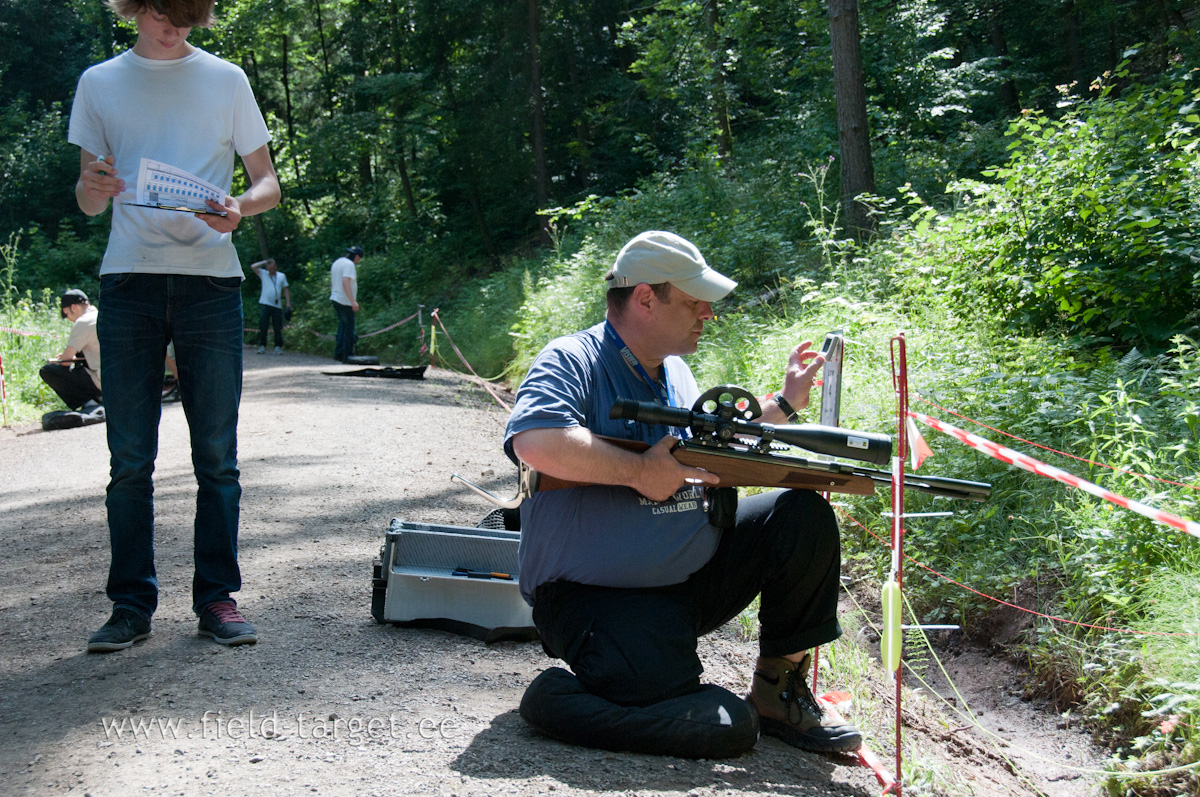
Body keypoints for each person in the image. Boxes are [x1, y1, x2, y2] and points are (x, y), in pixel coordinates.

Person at [504, 230, 862, 758]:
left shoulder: (675, 372)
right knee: (722, 726)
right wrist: (637, 471)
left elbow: (711, 446)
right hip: (592, 598)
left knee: (799, 512)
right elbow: (535, 440)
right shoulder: (571, 359)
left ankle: (777, 690)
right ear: (647, 297)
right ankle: (552, 699)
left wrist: (784, 404)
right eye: (695, 303)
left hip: (685, 584)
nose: (707, 315)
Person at [69, 0, 281, 653]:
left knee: (217, 455)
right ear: (134, 7)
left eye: (188, 18)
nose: (174, 29)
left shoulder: (227, 80)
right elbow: (84, 192)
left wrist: (240, 208)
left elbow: (267, 182)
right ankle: (130, 605)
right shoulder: (99, 83)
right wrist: (96, 187)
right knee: (130, 457)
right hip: (128, 281)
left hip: (211, 284)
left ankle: (216, 597)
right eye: (163, 13)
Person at [40, 289, 103, 414]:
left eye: (66, 314)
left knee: (48, 370)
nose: (69, 319)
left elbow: (65, 362)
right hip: (117, 378)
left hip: (100, 380)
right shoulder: (101, 315)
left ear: (73, 308)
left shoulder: (82, 322)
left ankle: (90, 403)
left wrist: (62, 358)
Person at [250, 257, 291, 354]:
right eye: (270, 268)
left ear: (276, 267)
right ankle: (262, 345)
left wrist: (288, 302)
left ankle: (278, 346)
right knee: (263, 325)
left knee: (277, 327)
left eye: (273, 268)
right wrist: (265, 262)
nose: (272, 270)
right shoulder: (263, 274)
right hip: (265, 303)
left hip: (277, 305)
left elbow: (286, 289)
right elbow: (253, 266)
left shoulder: (281, 276)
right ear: (267, 268)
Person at [329, 245, 363, 362]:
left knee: (342, 326)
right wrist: (352, 301)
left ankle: (339, 353)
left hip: (335, 297)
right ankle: (347, 355)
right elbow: (345, 281)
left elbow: (333, 282)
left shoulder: (337, 262)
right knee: (349, 328)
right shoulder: (349, 265)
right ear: (357, 256)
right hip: (344, 300)